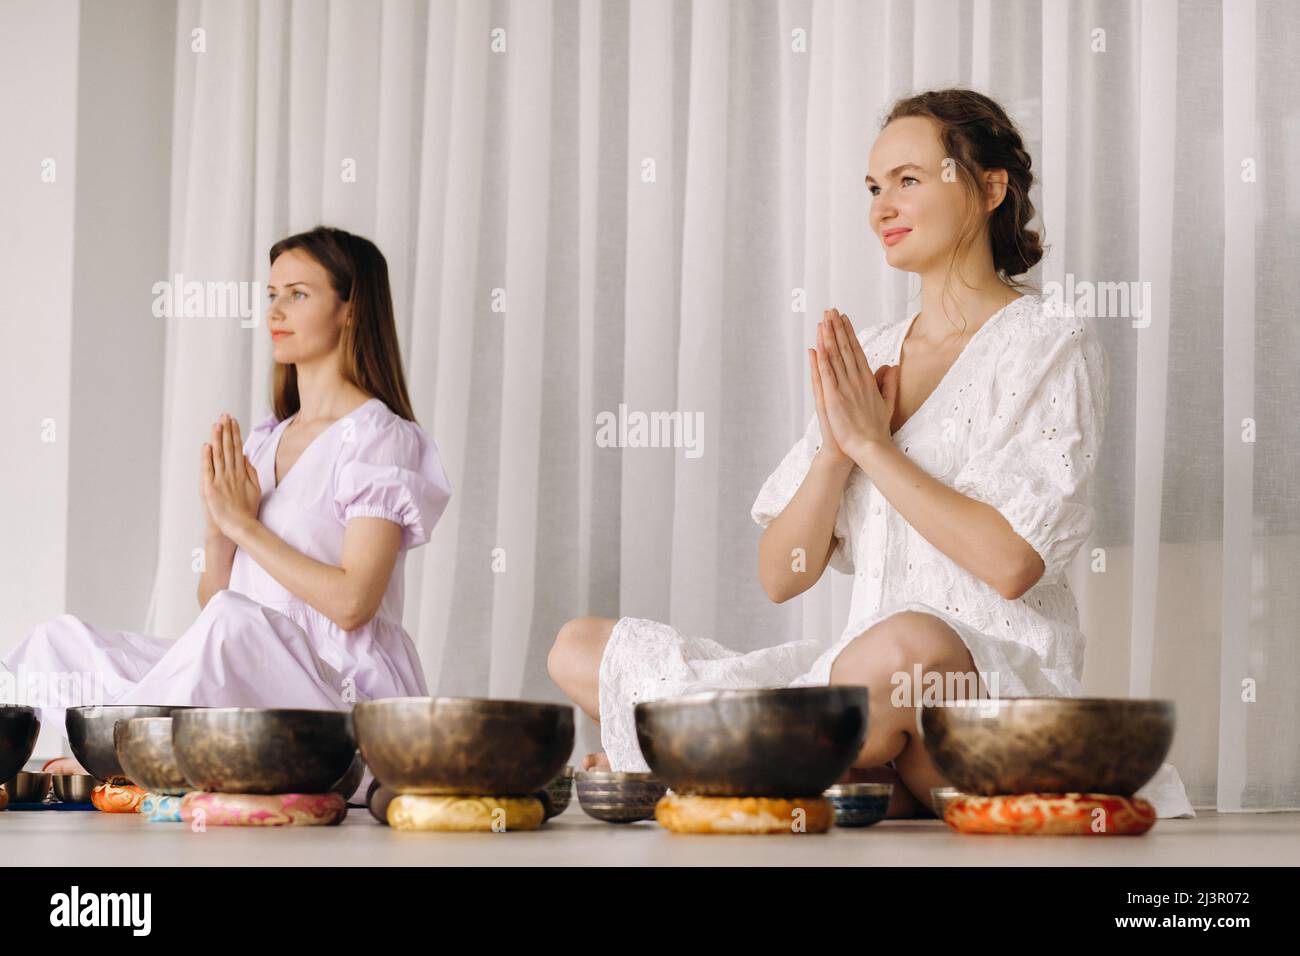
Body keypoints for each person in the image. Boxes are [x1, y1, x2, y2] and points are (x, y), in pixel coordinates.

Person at [548, 88, 1192, 820]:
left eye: (909, 180)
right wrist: (834, 454)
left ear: (988, 188)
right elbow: (781, 576)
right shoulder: (874, 355)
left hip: (975, 707)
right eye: (873, 187)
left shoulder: (1049, 342)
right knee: (580, 646)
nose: (881, 207)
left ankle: (705, 761)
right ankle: (810, 765)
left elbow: (1013, 565)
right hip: (867, 699)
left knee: (904, 645)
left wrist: (871, 445)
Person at [2, 226, 451, 803]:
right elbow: (219, 598)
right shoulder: (266, 441)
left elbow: (353, 602)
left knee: (233, 625)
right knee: (60, 643)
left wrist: (245, 526)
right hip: (251, 682)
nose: (275, 311)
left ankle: (118, 756)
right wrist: (218, 529)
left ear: (350, 309)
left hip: (340, 701)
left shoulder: (381, 439)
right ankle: (117, 750)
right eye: (271, 295)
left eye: (297, 293)